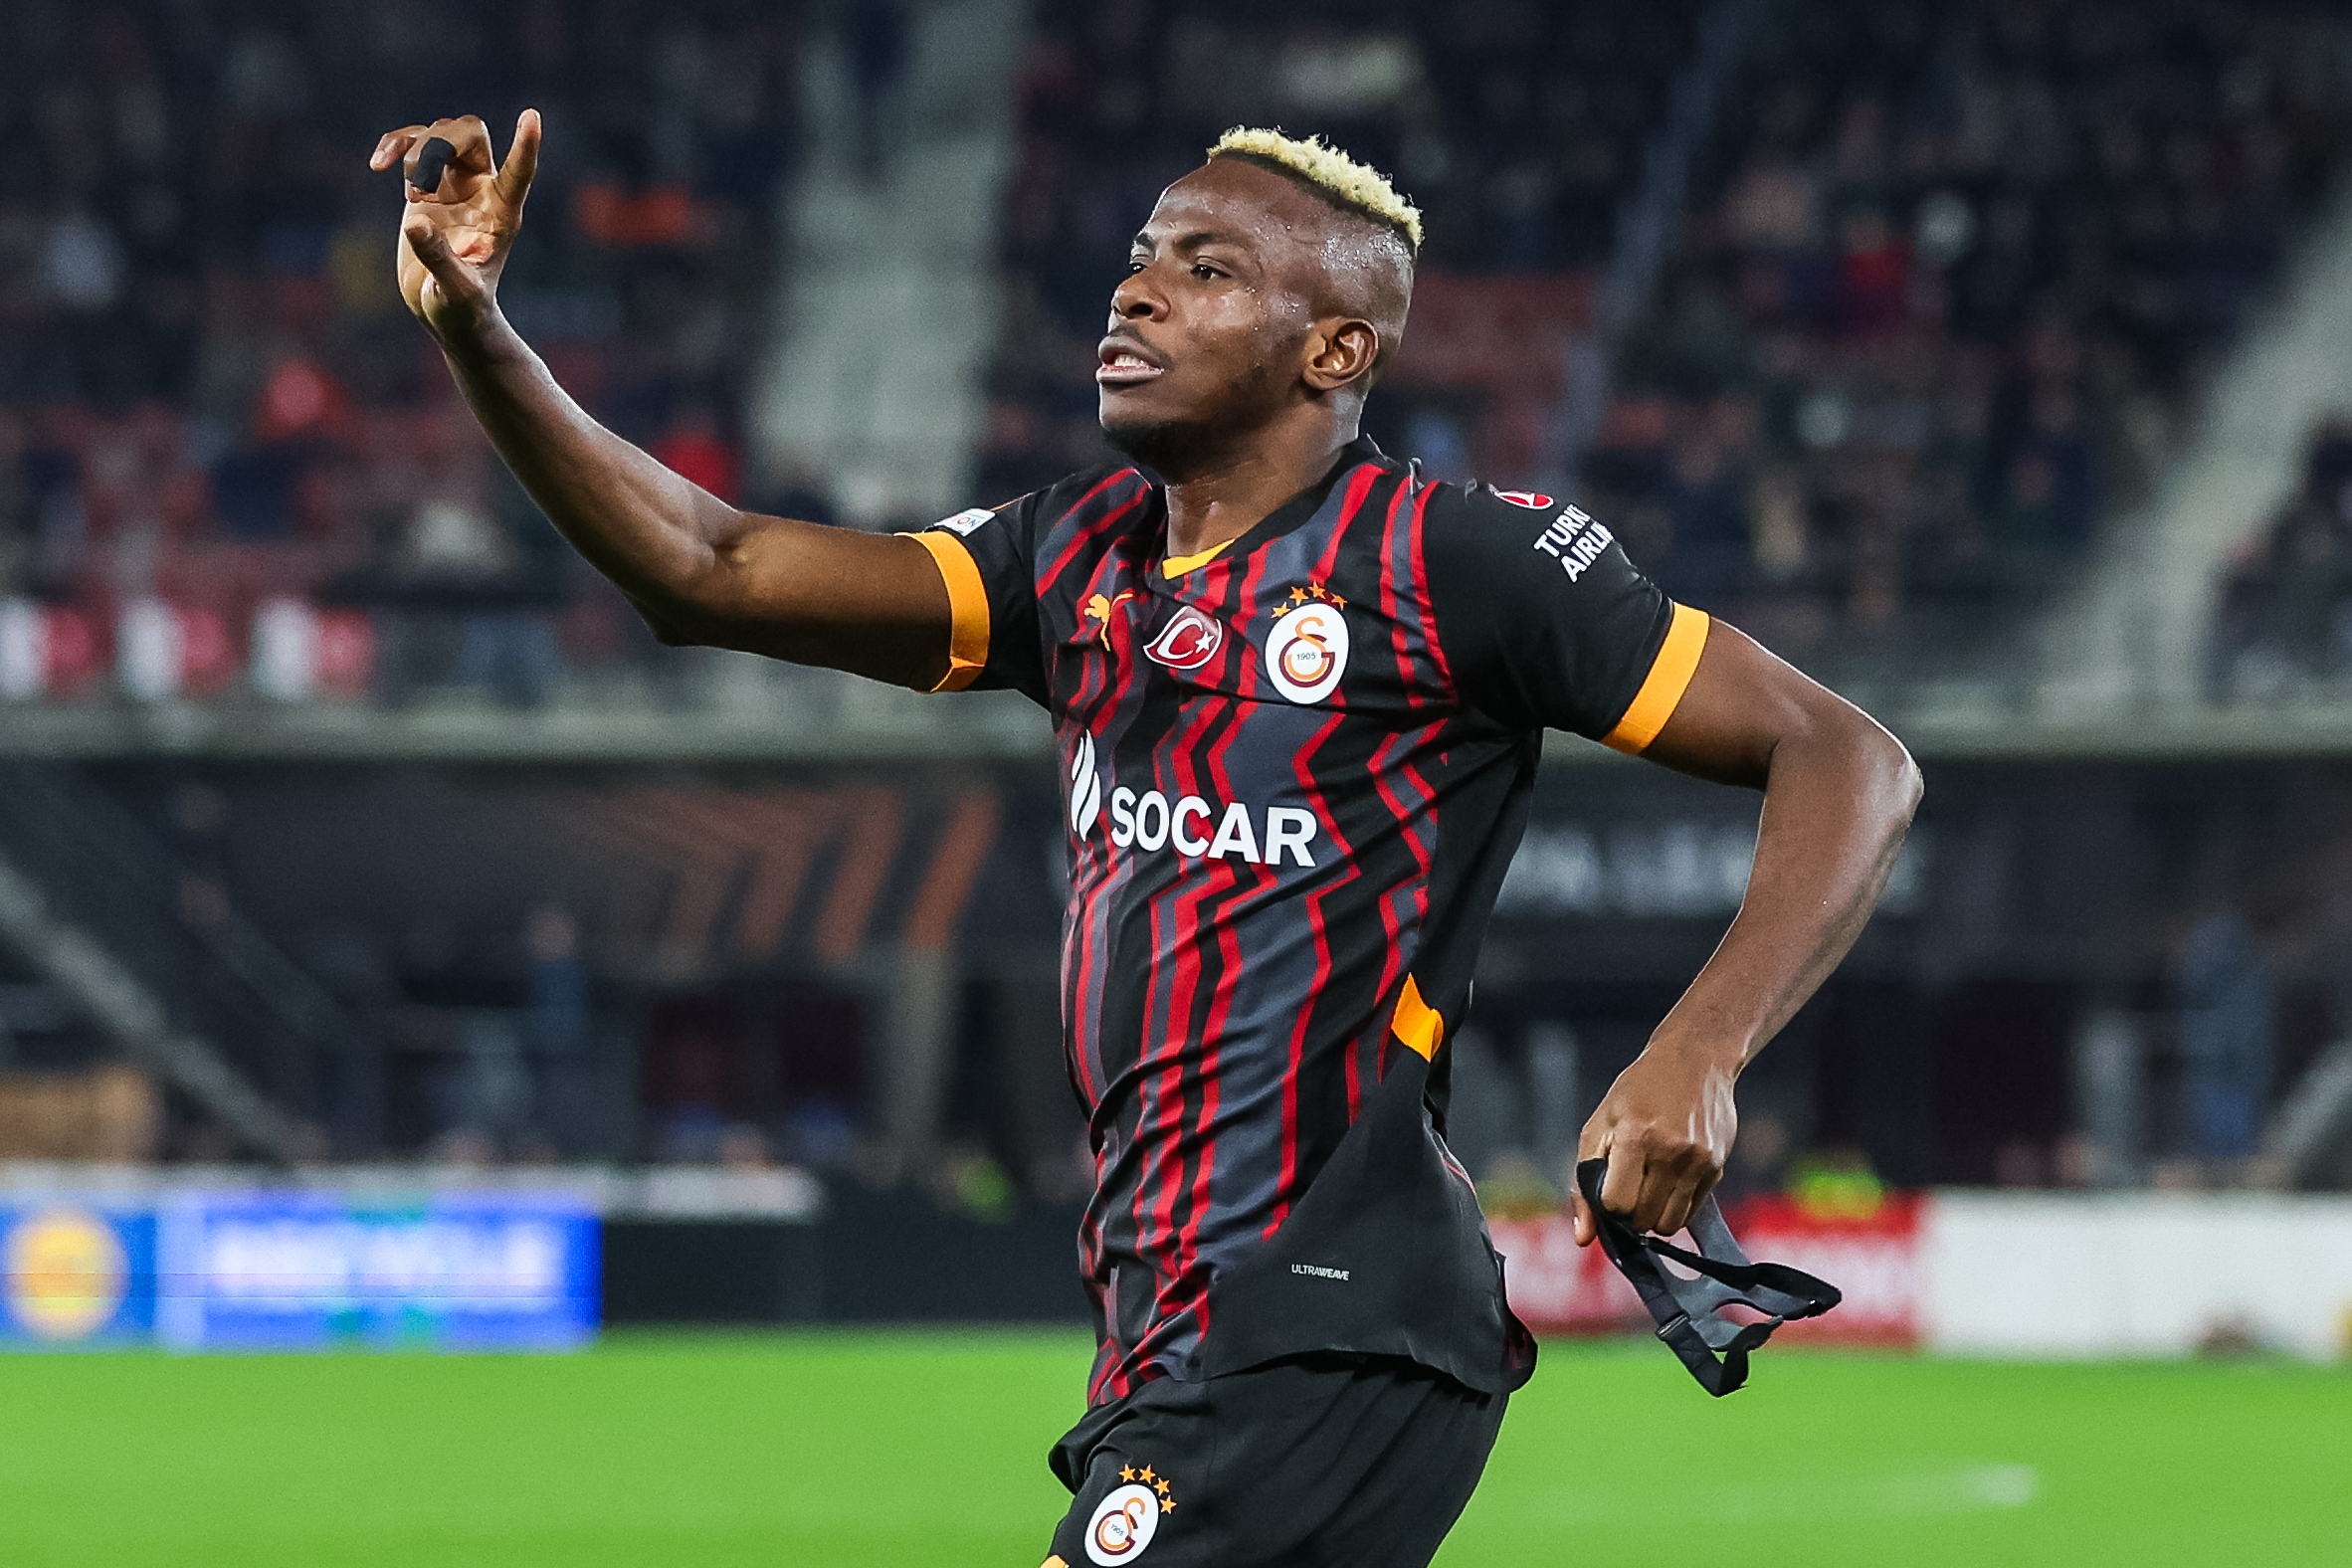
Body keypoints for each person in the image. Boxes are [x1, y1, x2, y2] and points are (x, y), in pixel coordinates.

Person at [371, 111, 1921, 1568]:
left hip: (1323, 1315)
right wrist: (478, 332)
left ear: (1336, 349)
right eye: (1143, 250)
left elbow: (1846, 756)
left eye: (1209, 269)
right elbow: (708, 568)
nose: (1138, 287)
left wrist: (1699, 1050)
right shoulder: (1077, 555)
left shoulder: (1456, 562)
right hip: (1171, 1324)